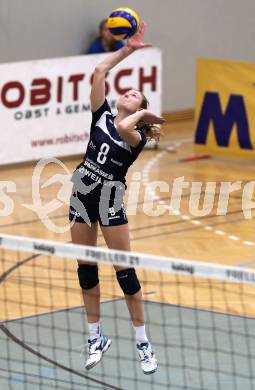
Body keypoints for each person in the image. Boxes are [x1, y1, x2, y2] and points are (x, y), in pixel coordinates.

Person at [69, 22, 164, 375]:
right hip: (82, 192)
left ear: (141, 108)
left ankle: (143, 342)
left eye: (136, 95)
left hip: (110, 198)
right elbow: (98, 69)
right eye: (127, 92)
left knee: (125, 274)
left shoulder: (136, 138)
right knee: (85, 270)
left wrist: (142, 117)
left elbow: (127, 129)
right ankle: (96, 337)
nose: (128, 93)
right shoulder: (101, 116)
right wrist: (127, 50)